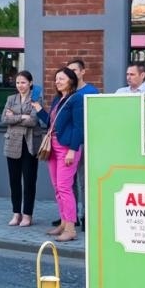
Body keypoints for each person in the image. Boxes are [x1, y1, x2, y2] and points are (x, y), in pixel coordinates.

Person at [1, 70, 46, 227]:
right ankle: (16, 213)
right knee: (14, 181)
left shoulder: (36, 98)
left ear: (30, 83)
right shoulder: (11, 98)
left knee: (29, 181)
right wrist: (22, 116)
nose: (20, 85)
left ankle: (27, 215)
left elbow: (33, 120)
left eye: (23, 82)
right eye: (18, 82)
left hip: (29, 144)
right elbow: (4, 118)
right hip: (12, 143)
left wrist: (14, 116)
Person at [46, 67, 84, 242]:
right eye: (56, 79)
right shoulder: (57, 99)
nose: (58, 82)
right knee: (57, 188)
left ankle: (70, 229)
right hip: (53, 147)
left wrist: (73, 149)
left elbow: (79, 127)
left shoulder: (76, 99)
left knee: (64, 187)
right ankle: (62, 222)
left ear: (71, 80)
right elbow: (51, 123)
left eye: (61, 79)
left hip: (67, 148)